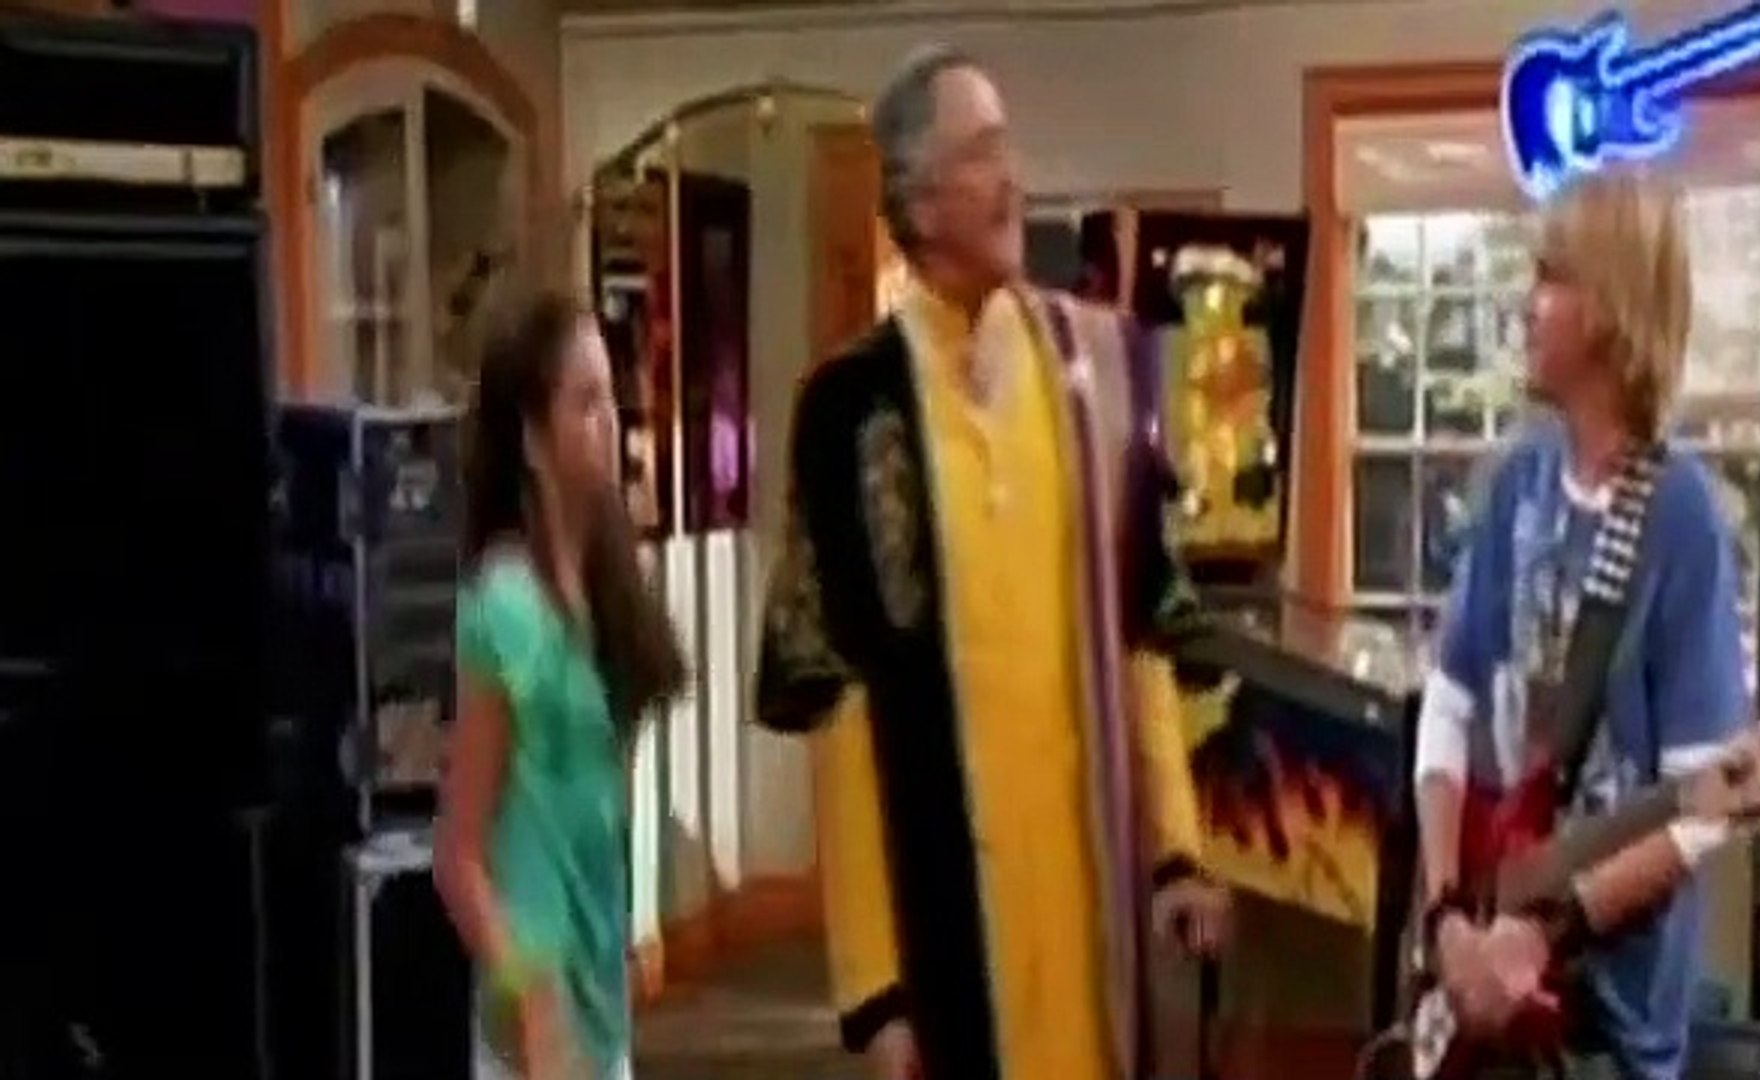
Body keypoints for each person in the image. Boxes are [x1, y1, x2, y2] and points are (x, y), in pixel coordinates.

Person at [754, 44, 1228, 1080]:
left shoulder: (1095, 372)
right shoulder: (851, 409)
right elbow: (839, 708)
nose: (1013, 177)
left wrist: (1176, 853)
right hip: (950, 940)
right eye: (981, 154)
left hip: (1096, 921)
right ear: (920, 204)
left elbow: (1141, 628)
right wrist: (875, 992)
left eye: (1008, 146)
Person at [1411, 171, 1751, 1080]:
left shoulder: (1680, 517)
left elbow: (1706, 809)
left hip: (1609, 1038)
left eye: (1549, 278)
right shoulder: (1516, 487)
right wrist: (1446, 916)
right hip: (1491, 997)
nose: (1526, 304)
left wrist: (1546, 932)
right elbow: (1447, 707)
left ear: (1607, 309)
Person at [435, 291, 687, 1080]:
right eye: (584, 403)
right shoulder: (505, 607)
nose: (609, 423)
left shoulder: (612, 586)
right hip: (533, 1023)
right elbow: (458, 854)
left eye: (610, 398)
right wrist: (529, 988)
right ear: (533, 439)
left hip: (600, 1003)